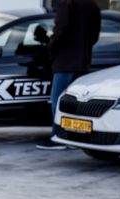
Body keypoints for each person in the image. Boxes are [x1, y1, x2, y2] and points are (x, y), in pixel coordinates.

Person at [36, 0, 101, 150]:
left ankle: (59, 138)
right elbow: (95, 35)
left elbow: (60, 30)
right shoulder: (92, 5)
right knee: (78, 103)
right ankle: (75, 138)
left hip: (65, 61)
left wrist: (52, 47)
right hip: (83, 60)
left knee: (58, 101)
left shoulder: (66, 3)